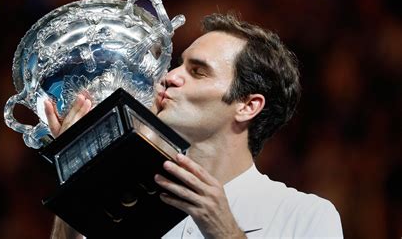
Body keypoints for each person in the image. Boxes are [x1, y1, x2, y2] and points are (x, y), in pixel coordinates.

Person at [46, 13, 344, 238]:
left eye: (198, 71)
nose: (170, 77)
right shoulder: (122, 203)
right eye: (178, 64)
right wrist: (78, 179)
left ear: (247, 106)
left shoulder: (304, 216)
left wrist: (226, 232)